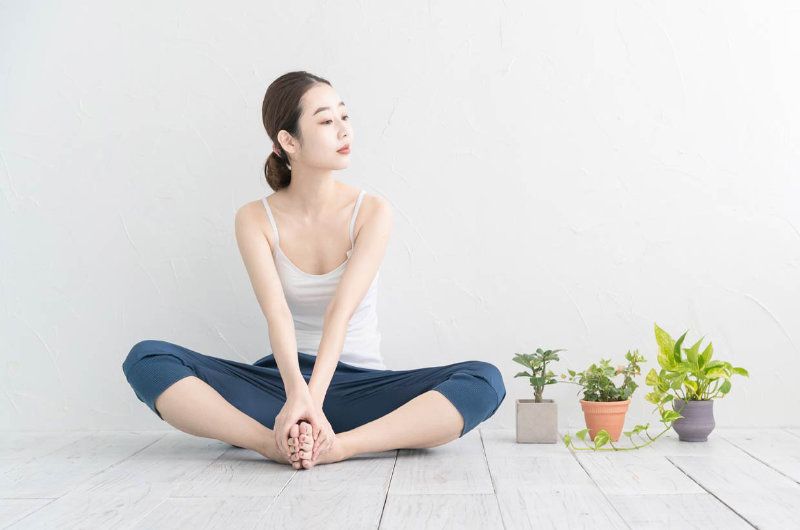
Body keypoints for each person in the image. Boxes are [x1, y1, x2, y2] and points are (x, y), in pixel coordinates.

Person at [122, 70, 506, 470]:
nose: (344, 131)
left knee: (483, 380)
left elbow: (338, 315)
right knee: (146, 359)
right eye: (326, 121)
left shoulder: (372, 212)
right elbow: (277, 315)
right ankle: (270, 442)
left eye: (344, 116)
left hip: (361, 386)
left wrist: (313, 400)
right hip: (280, 386)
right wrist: (296, 398)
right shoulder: (255, 218)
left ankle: (340, 446)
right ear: (288, 141)